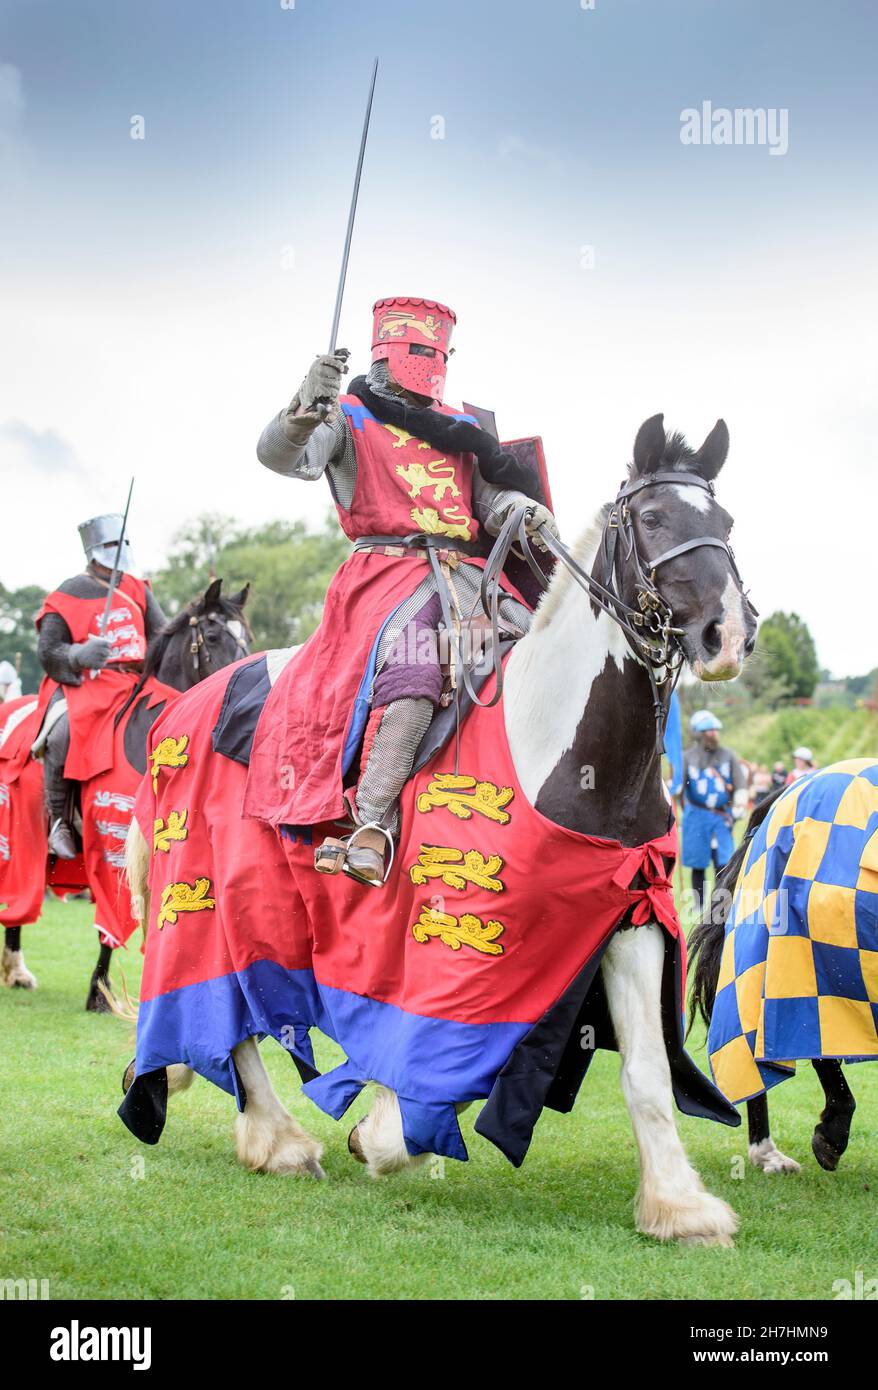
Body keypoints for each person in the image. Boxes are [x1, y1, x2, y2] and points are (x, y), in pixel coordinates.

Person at [251, 295, 559, 885]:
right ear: (386, 349)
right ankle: (371, 823)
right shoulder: (346, 414)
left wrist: (519, 508)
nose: (428, 360)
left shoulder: (463, 428)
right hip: (387, 578)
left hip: (472, 580)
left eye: (436, 350)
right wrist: (301, 408)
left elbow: (484, 503)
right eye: (417, 349)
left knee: (547, 652)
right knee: (419, 667)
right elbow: (283, 460)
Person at [35, 514, 167, 858]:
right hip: (85, 683)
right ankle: (59, 822)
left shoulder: (137, 588)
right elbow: (48, 651)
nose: (119, 551)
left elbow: (161, 637)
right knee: (60, 734)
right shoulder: (66, 594)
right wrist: (79, 654)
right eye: (111, 544)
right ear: (94, 549)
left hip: (135, 682)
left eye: (124, 542)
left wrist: (150, 661)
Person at [681, 709, 747, 914]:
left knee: (724, 863)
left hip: (721, 817)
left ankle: (721, 906)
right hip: (696, 817)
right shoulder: (686, 757)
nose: (713, 734)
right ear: (698, 733)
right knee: (698, 863)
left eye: (715, 730)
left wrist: (739, 805)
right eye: (708, 730)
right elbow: (679, 787)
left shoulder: (727, 756)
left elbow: (740, 784)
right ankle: (699, 906)